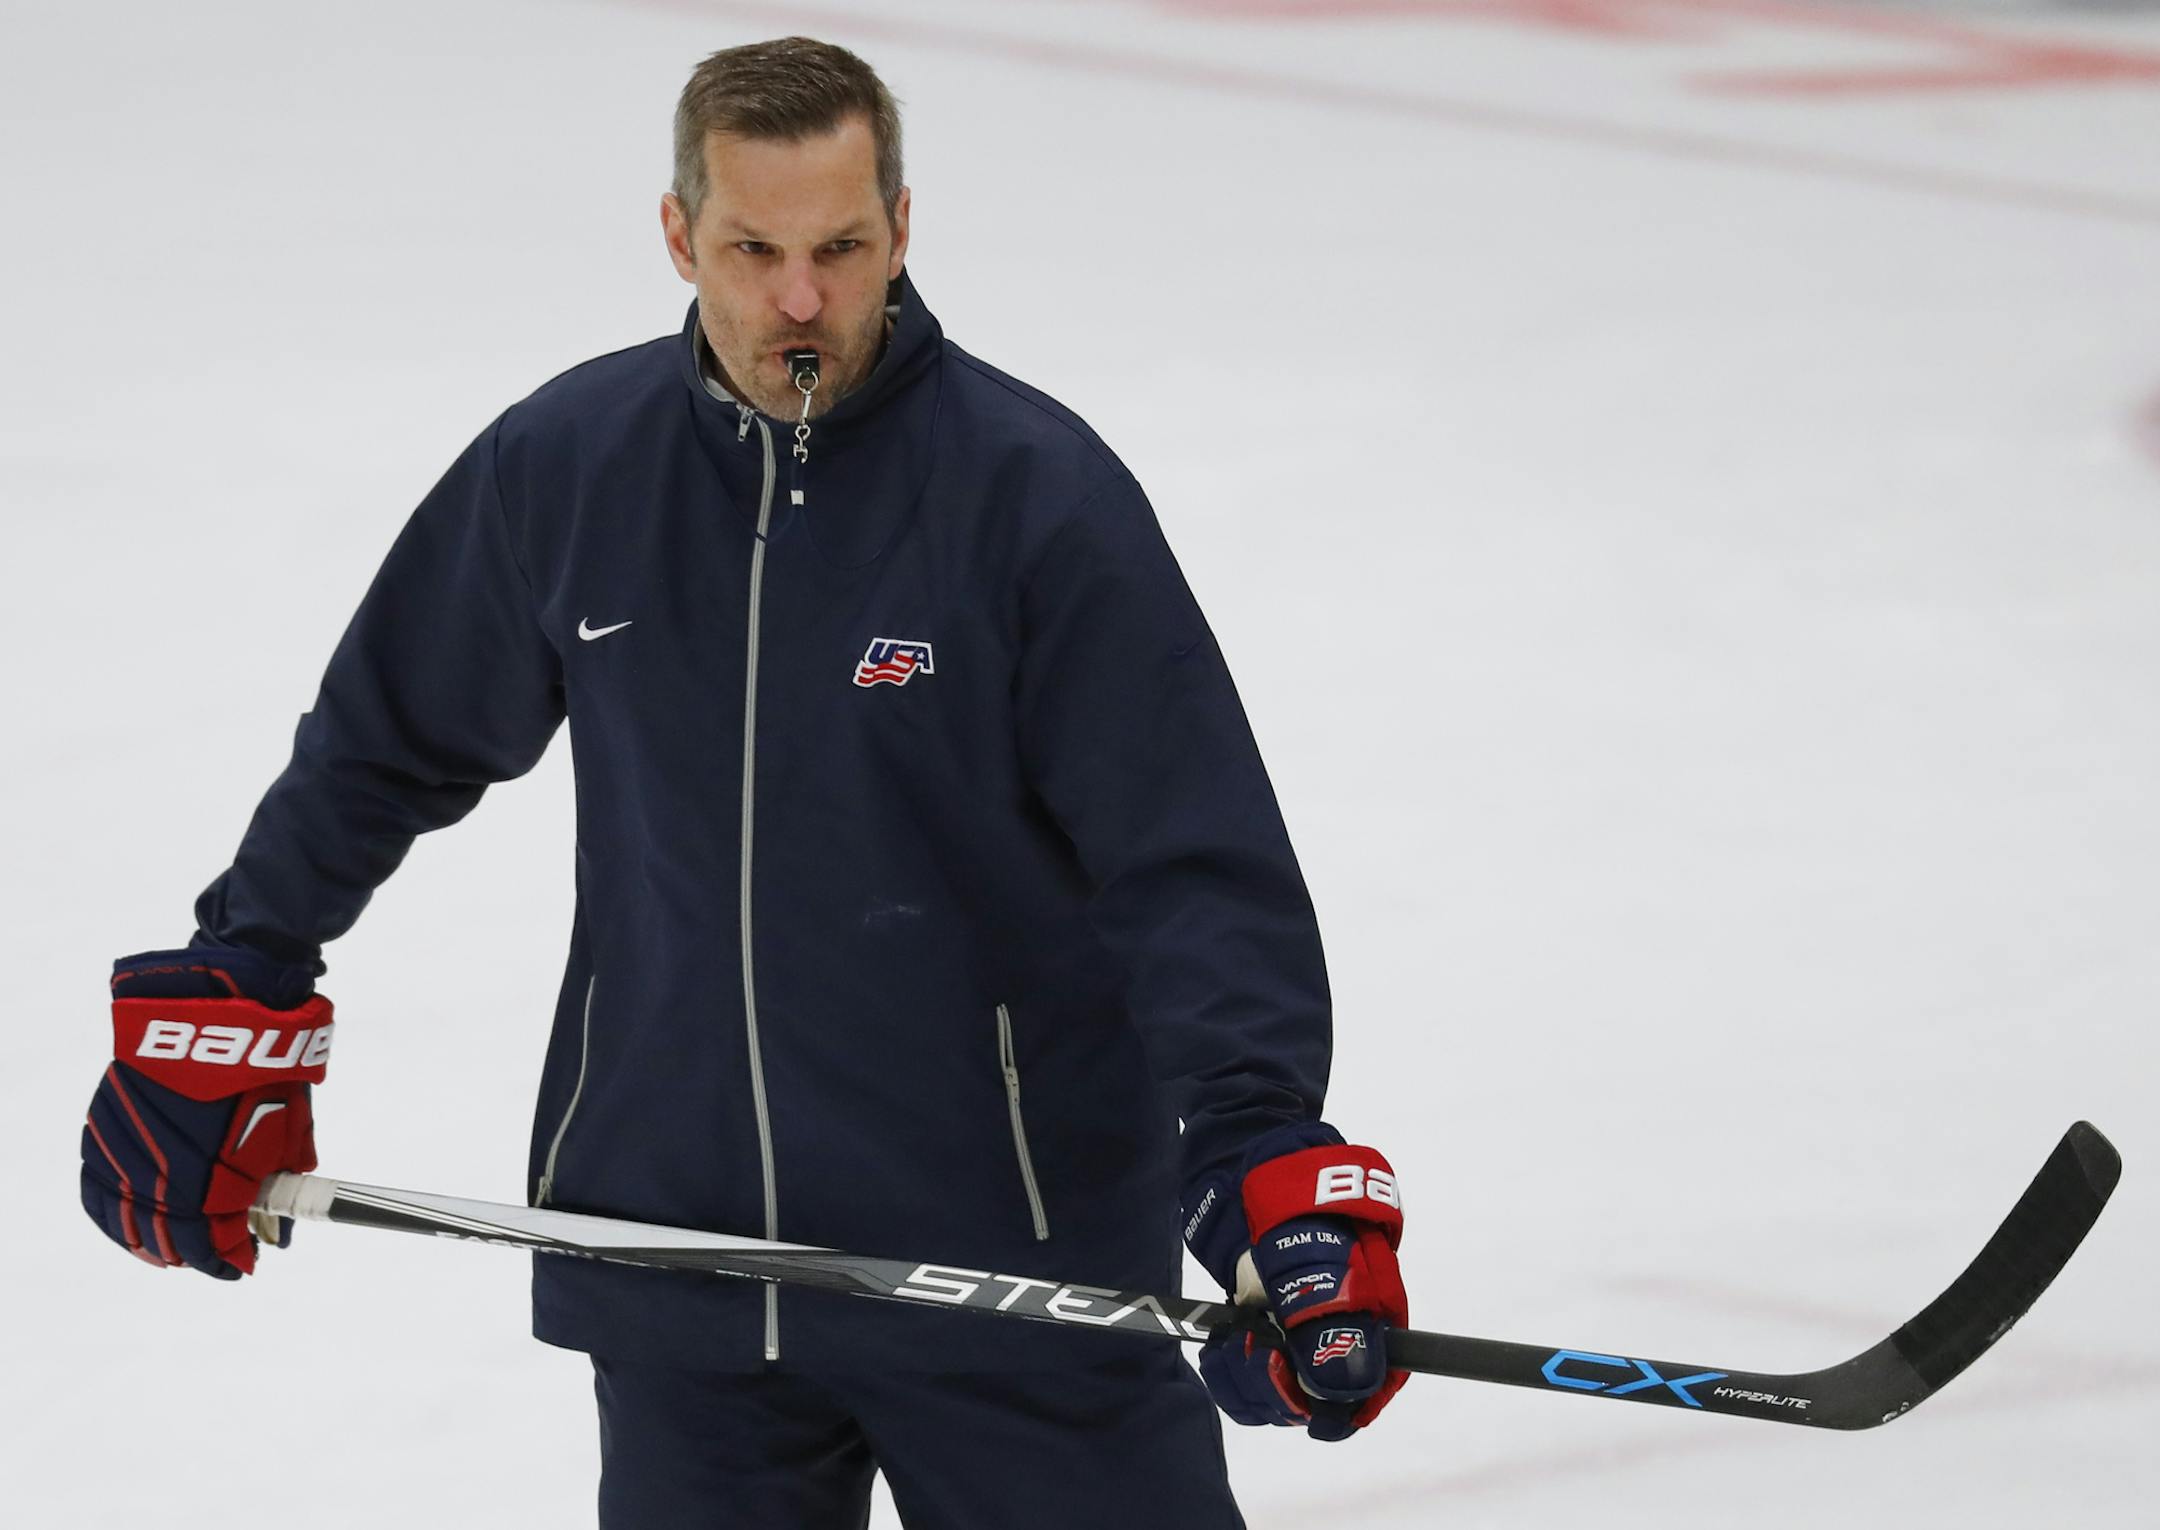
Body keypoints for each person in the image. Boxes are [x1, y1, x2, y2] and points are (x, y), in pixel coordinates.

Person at [79, 35, 1411, 1527]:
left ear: (903, 227)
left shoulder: (1035, 500)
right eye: (753, 247)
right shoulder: (572, 466)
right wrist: (241, 972)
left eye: (841, 247)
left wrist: (1261, 1144)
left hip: (1009, 1285)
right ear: (677, 234)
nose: (800, 297)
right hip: (678, 1276)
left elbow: (1189, 861)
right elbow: (382, 739)